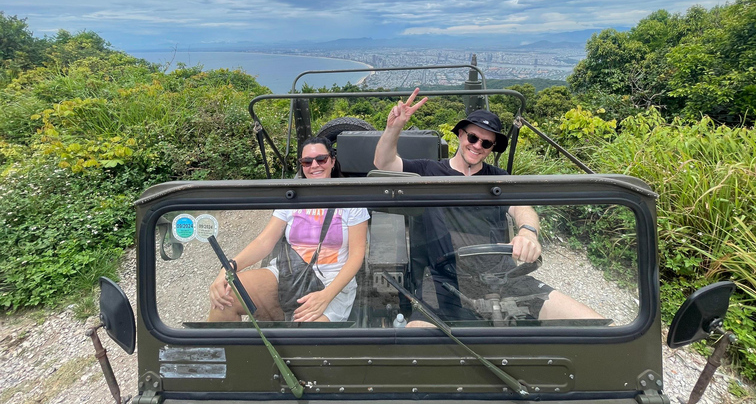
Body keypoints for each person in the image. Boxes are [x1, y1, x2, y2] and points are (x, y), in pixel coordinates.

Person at [373, 88, 602, 324]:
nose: (477, 146)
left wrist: (528, 233)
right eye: (472, 138)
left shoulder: (498, 179)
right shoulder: (429, 171)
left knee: (595, 325)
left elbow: (522, 207)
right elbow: (384, 163)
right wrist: (394, 127)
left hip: (503, 277)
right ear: (461, 135)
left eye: (486, 143)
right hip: (445, 279)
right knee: (417, 341)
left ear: (492, 148)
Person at [208, 137, 369, 323]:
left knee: (308, 335)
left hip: (332, 281)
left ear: (332, 161)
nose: (314, 165)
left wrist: (326, 296)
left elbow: (357, 254)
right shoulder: (292, 199)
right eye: (307, 162)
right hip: (287, 273)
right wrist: (228, 269)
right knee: (225, 298)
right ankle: (227, 352)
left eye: (321, 159)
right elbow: (264, 241)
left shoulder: (351, 201)